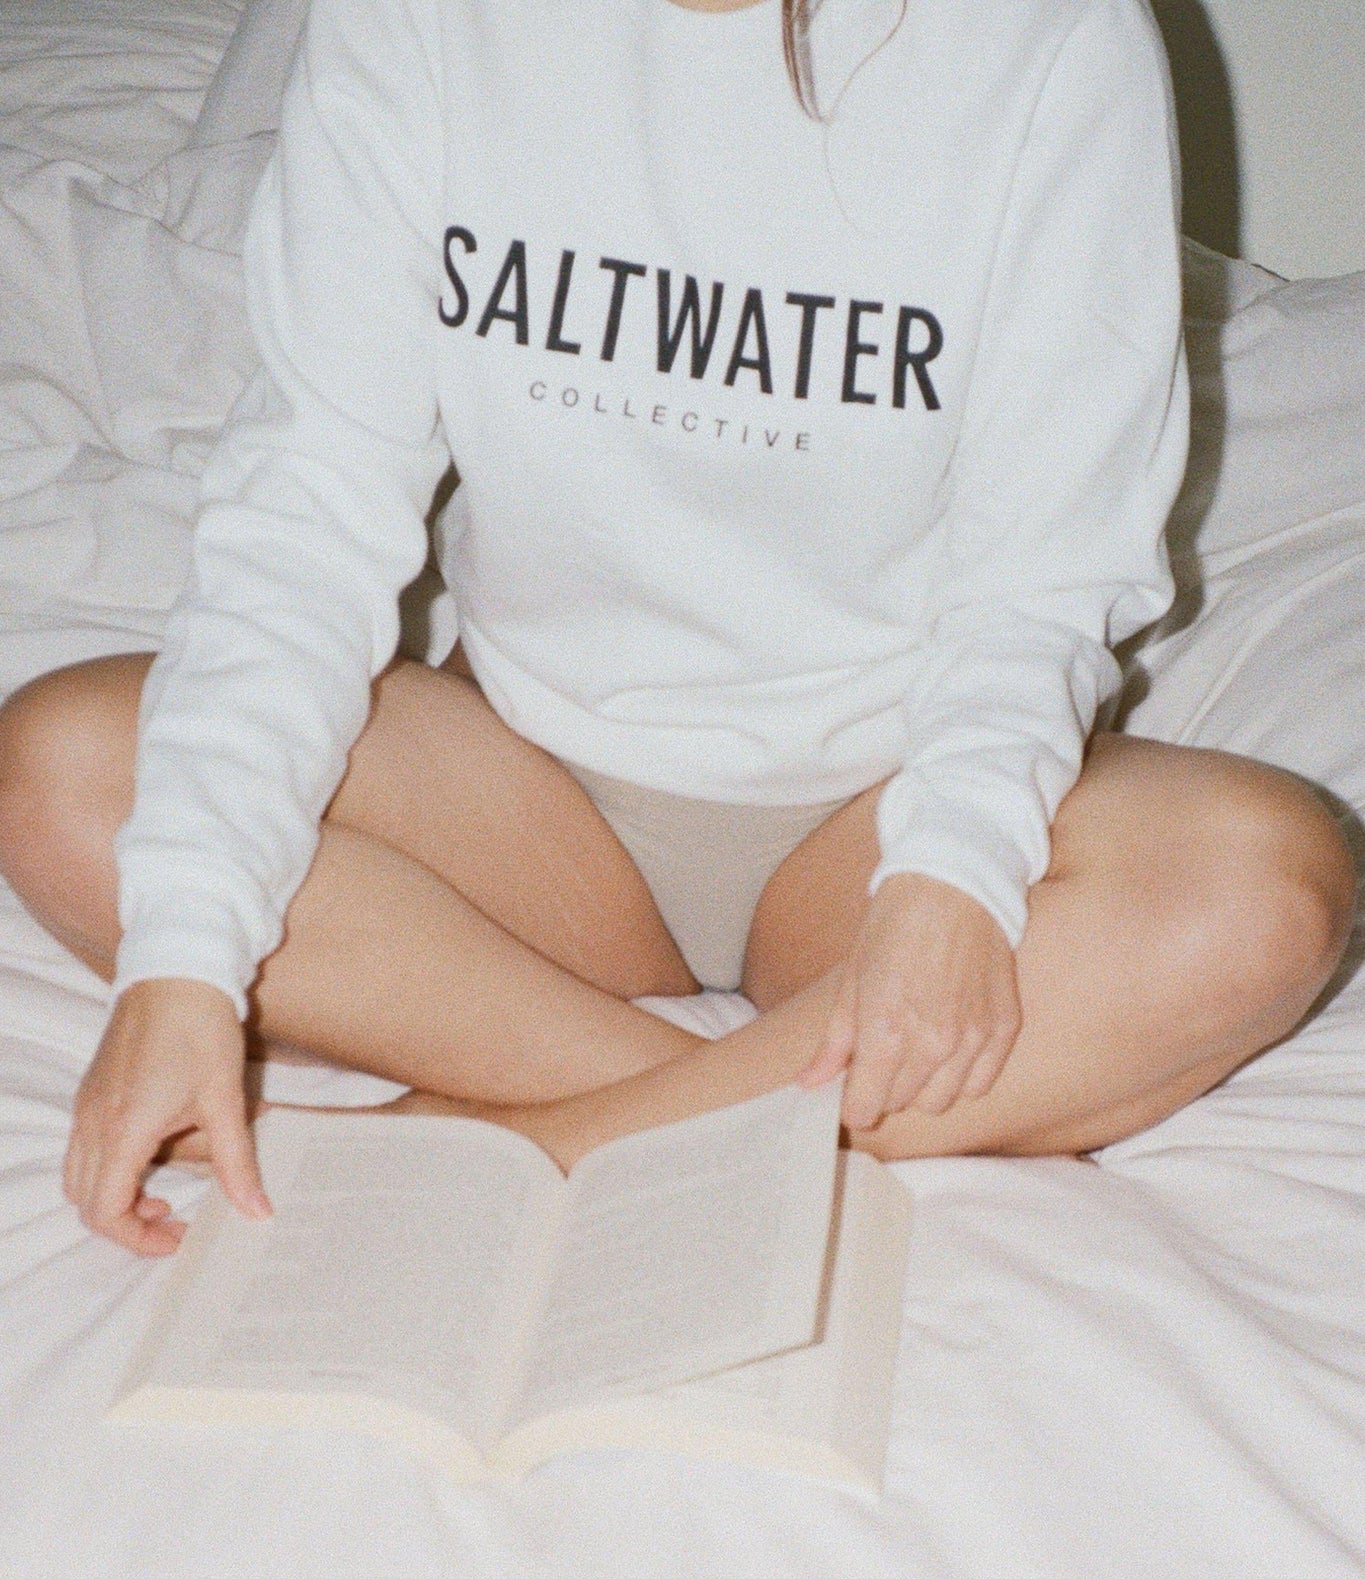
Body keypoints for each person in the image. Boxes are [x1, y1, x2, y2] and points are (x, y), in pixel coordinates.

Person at [0, 0, 1354, 1257]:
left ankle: (534, 1141)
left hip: (880, 809)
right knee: (65, 772)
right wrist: (182, 953)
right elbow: (310, 509)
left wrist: (951, 875)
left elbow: (1044, 565)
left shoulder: (1045, 39)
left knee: (1269, 888)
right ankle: (746, 1109)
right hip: (532, 803)